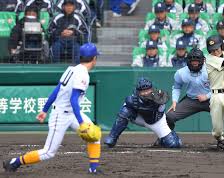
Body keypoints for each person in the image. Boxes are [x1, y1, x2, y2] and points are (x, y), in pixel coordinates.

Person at [3, 43, 102, 173]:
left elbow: (56, 91)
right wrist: (81, 122)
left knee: (95, 136)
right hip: (61, 115)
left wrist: (44, 110)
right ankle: (14, 162)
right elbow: (73, 100)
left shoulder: (72, 69)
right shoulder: (82, 74)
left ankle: (93, 169)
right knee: (49, 152)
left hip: (72, 113)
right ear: (94, 58)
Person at [159, 47, 224, 150]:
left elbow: (220, 86)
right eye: (192, 61)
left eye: (197, 61)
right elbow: (176, 87)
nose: (195, 63)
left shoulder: (211, 69)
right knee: (169, 116)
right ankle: (165, 137)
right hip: (191, 100)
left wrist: (206, 96)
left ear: (203, 60)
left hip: (212, 98)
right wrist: (175, 101)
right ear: (188, 61)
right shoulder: (181, 73)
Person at [104, 77, 182, 148]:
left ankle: (163, 139)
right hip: (139, 118)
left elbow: (160, 110)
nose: (146, 93)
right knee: (125, 111)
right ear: (138, 92)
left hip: (155, 121)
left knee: (173, 144)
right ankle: (112, 137)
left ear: (152, 89)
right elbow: (124, 109)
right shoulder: (132, 99)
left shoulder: (159, 98)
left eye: (148, 90)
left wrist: (153, 103)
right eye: (143, 91)